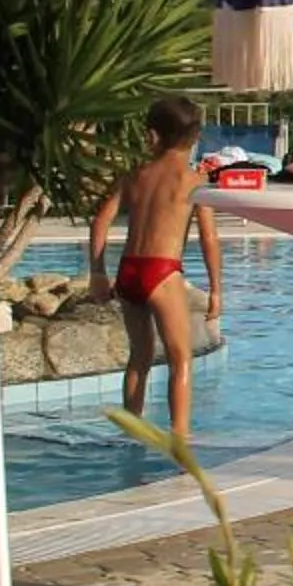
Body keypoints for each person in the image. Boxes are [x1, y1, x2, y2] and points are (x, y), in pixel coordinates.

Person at [86, 95, 225, 440]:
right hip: (162, 273)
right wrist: (217, 289)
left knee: (139, 358)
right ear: (195, 138)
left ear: (152, 135)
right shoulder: (194, 182)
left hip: (129, 271)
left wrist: (98, 272)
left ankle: (131, 431)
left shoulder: (135, 176)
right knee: (181, 359)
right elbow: (209, 240)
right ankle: (180, 438)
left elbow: (99, 222)